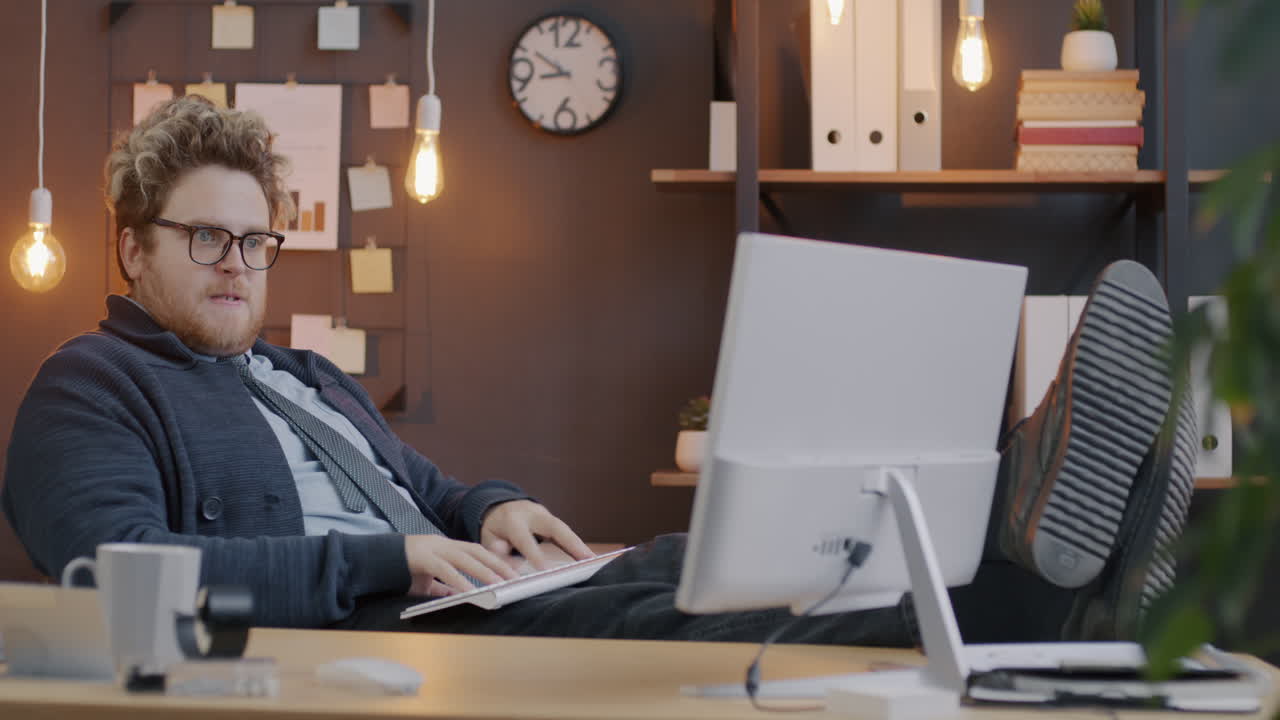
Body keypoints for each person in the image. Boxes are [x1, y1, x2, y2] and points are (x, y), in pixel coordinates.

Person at [1, 96, 1197, 645]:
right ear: (132, 247)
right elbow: (118, 571)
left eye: (256, 240)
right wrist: (396, 555)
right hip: (393, 635)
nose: (237, 264)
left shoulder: (307, 377)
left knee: (714, 555)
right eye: (206, 237)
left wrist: (493, 508)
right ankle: (1054, 586)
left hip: (463, 593)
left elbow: (434, 493)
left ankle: (1025, 524)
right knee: (709, 607)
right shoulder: (91, 385)